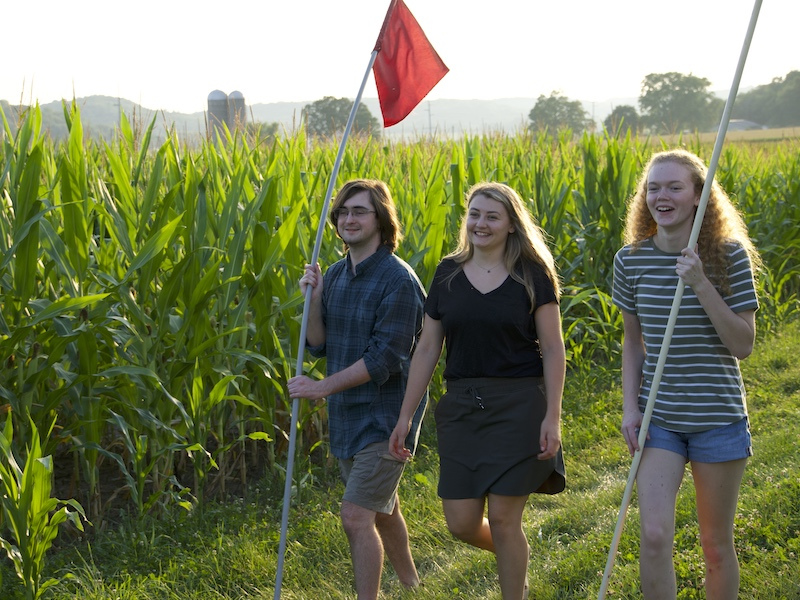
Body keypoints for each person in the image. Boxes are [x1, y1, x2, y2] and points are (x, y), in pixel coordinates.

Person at [389, 181, 566, 600]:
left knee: (505, 521)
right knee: (461, 523)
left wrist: (552, 416)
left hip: (519, 406)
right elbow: (428, 347)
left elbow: (554, 349)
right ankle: (515, 560)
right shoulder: (447, 271)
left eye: (491, 216)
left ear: (510, 224)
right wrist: (405, 415)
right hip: (463, 410)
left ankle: (512, 583)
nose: (480, 224)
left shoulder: (531, 273)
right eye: (474, 214)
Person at [612, 149, 761, 599]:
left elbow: (743, 345)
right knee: (655, 535)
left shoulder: (727, 257)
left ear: (698, 196)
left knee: (715, 546)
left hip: (718, 416)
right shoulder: (630, 260)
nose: (662, 196)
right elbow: (632, 344)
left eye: (675, 186)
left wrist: (699, 282)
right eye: (653, 187)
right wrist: (630, 408)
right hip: (662, 419)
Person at [287, 179, 427, 600]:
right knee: (384, 510)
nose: (349, 218)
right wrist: (312, 301)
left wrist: (320, 389)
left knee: (355, 516)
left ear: (381, 219)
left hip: (386, 420)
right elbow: (319, 345)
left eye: (359, 211)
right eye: (343, 211)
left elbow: (385, 359)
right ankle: (413, 585)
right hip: (349, 416)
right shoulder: (334, 273)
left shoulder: (398, 280)